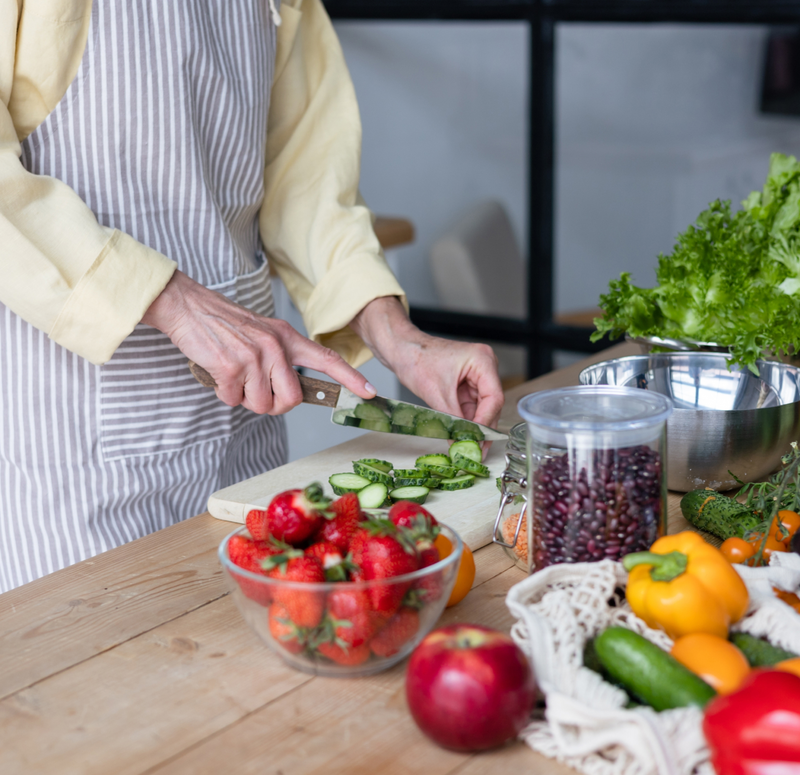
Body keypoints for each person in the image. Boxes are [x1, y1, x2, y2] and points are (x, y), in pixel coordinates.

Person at [0, 0, 503, 592]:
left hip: (249, 439)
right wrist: (173, 301)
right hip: (75, 450)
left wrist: (399, 338)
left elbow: (306, 176)